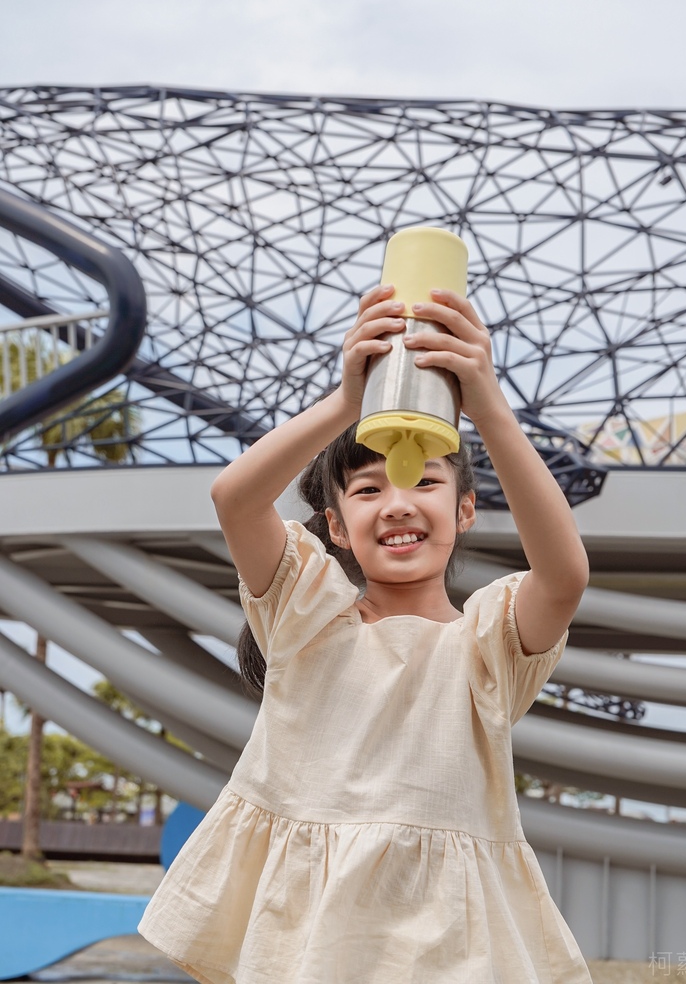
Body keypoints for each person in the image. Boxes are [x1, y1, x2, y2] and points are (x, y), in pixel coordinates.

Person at [138, 283, 592, 984]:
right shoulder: (307, 617)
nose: (398, 503)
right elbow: (234, 496)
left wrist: (488, 408)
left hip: (446, 941)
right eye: (367, 489)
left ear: (466, 509)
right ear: (336, 527)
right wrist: (350, 401)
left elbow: (562, 575)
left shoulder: (487, 647)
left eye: (425, 483)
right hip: (308, 938)